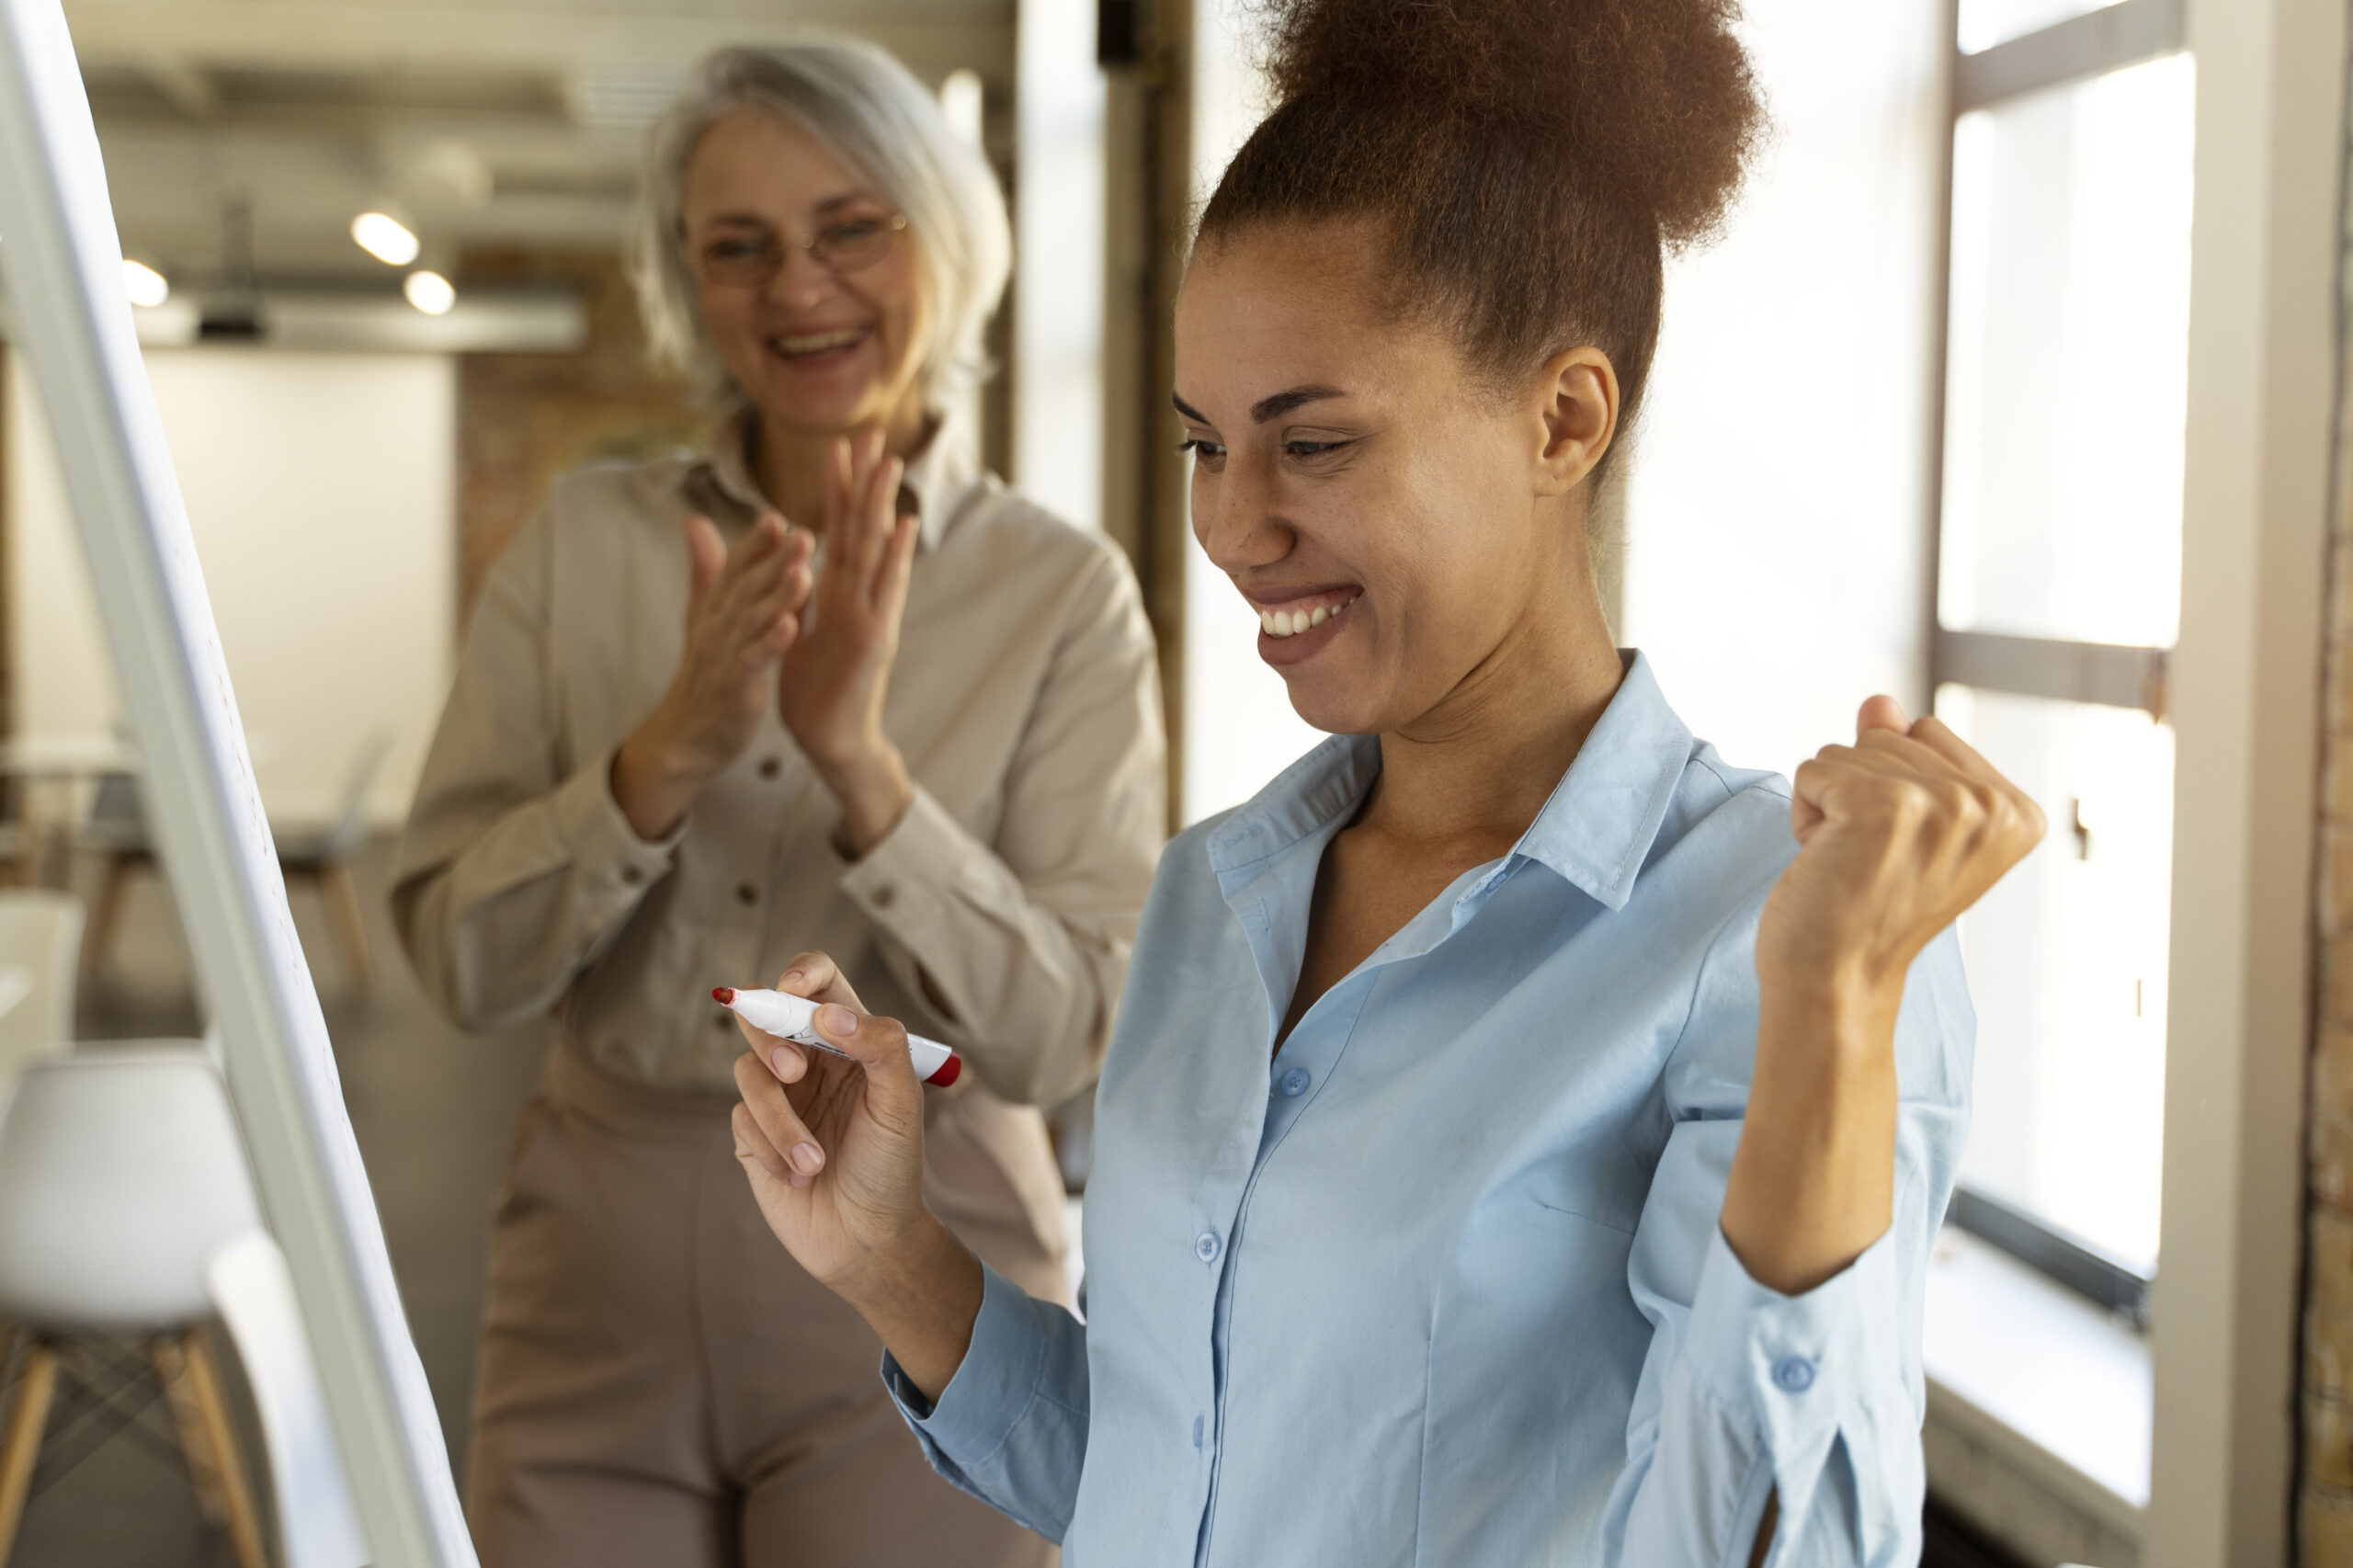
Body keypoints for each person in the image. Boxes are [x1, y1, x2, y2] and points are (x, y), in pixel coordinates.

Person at [724, 1, 2047, 1564]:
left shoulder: (1774, 938)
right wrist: (892, 1257)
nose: (1229, 526)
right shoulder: (1215, 894)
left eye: (1318, 443)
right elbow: (1177, 1480)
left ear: (1565, 418)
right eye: (1207, 443)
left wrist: (1833, 1005)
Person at [391, 40, 1164, 1568]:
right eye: (736, 247)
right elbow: (456, 958)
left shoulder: (1063, 595)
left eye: (850, 227)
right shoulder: (583, 544)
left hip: (920, 1241)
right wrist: (660, 760)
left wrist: (861, 769)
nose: (797, 286)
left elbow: (1074, 1032)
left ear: (944, 239)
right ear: (688, 282)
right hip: (591, 1259)